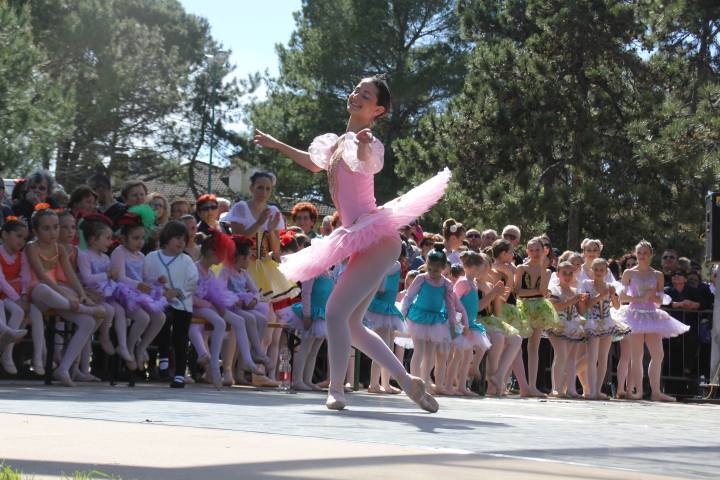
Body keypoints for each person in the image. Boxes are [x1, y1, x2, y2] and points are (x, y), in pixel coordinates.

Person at [254, 74, 450, 412]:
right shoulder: (336, 142)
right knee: (352, 325)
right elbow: (313, 163)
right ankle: (407, 381)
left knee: (334, 313)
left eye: (367, 94)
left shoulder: (367, 142)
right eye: (357, 89)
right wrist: (277, 144)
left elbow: (368, 161)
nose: (357, 95)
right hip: (360, 238)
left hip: (376, 236)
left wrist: (361, 143)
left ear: (378, 110)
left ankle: (337, 390)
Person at [615, 240, 690, 401]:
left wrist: (652, 296)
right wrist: (640, 297)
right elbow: (622, 296)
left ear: (650, 255)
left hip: (651, 314)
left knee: (658, 354)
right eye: (639, 253)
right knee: (636, 355)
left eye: (645, 253)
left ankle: (656, 391)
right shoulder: (629, 273)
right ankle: (639, 391)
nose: (642, 256)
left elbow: (660, 300)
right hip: (634, 314)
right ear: (636, 254)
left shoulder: (657, 275)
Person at [143, 221, 198, 388]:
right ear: (167, 238)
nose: (181, 242)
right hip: (159, 300)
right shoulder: (152, 257)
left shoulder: (186, 260)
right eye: (177, 238)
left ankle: (180, 373)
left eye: (183, 239)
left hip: (182, 303)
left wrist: (177, 291)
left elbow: (193, 281)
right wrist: (158, 287)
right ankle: (164, 355)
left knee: (181, 338)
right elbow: (146, 278)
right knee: (163, 319)